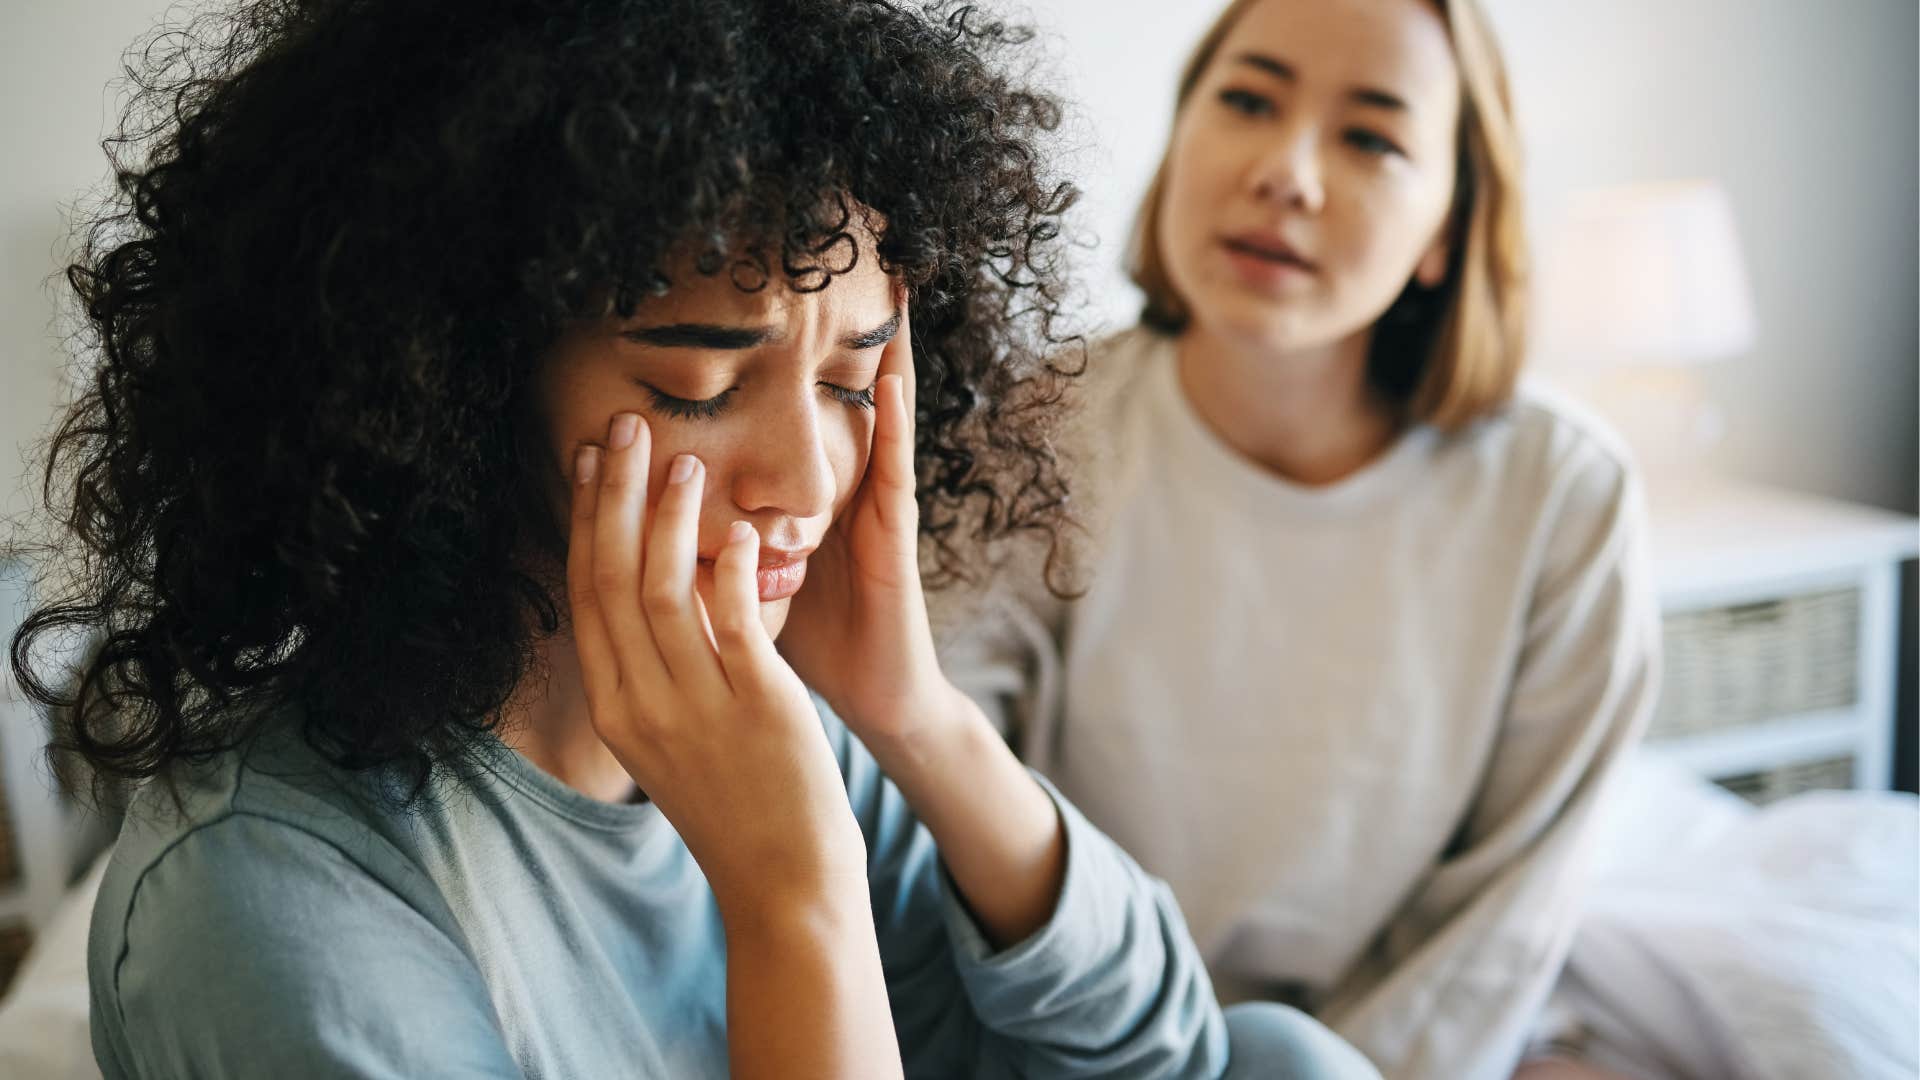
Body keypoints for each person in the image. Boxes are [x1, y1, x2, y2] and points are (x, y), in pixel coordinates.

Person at [7, 0, 1383, 1076]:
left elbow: (1173, 1055)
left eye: (852, 384)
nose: (805, 476)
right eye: (700, 388)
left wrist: (920, 722)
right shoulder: (269, 907)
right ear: (451, 394)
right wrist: (794, 900)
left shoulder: (778, 723)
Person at [939, 1, 1657, 1077]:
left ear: (1448, 232)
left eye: (1370, 136)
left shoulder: (1564, 501)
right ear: (1182, 136)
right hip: (1075, 1034)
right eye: (1246, 99)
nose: (1287, 172)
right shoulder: (1030, 437)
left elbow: (1499, 926)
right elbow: (933, 805)